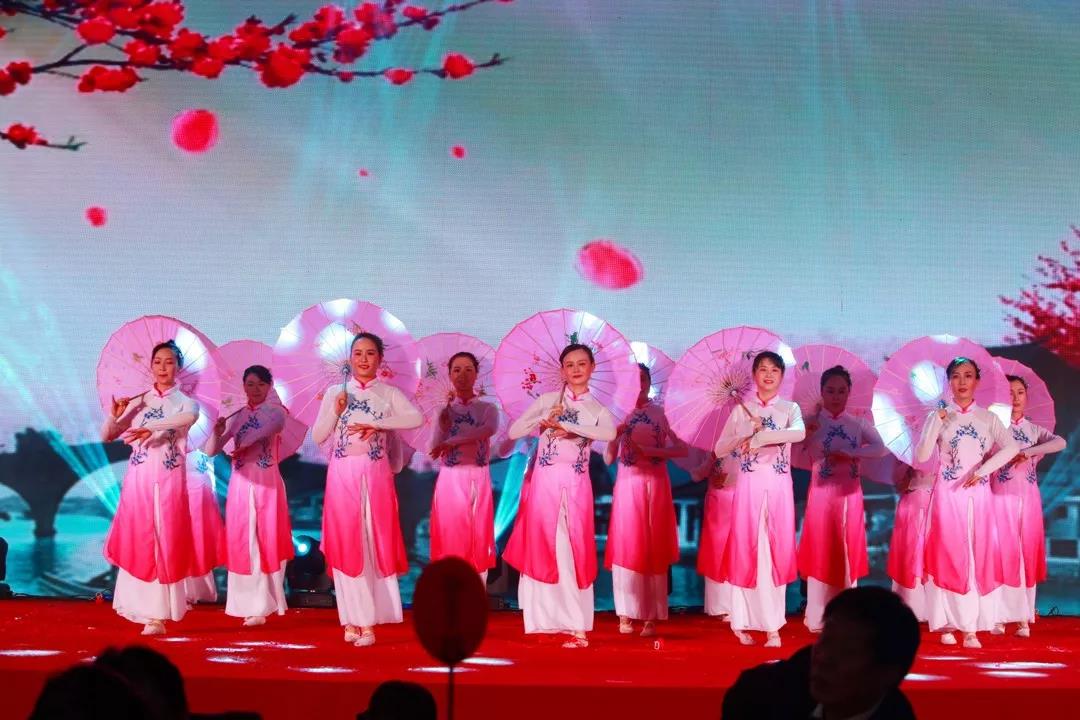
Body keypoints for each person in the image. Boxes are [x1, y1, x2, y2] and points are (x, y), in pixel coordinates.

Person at [311, 333, 423, 647]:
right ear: (350, 358)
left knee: (372, 540)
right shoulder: (335, 393)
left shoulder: (387, 393)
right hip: (342, 475)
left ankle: (369, 619)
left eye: (370, 353)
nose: (363, 359)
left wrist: (381, 424)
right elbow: (318, 435)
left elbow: (415, 418)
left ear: (380, 359)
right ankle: (351, 618)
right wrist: (335, 411)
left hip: (376, 476)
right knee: (347, 541)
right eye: (358, 353)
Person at [503, 343, 617, 648]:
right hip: (543, 485)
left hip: (575, 487)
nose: (576, 369)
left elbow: (609, 433)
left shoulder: (596, 409)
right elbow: (514, 432)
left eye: (582, 363)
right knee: (543, 546)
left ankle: (577, 625)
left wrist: (568, 424)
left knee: (570, 549)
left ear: (592, 368)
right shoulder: (547, 401)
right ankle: (545, 620)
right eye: (570, 364)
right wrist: (541, 419)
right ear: (562, 370)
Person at [914, 356, 1019, 648]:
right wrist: (935, 421)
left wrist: (983, 470)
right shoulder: (939, 416)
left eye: (968, 375)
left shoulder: (988, 418)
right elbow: (922, 456)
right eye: (956, 376)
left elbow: (1011, 447)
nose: (962, 381)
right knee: (948, 552)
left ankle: (971, 626)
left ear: (977, 381)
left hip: (979, 494)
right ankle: (947, 622)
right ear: (949, 382)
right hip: (947, 494)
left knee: (976, 553)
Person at [102, 340, 198, 636]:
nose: (162, 368)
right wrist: (115, 415)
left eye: (169, 362)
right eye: (157, 362)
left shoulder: (185, 402)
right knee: (138, 536)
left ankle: (157, 615)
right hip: (138, 479)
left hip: (167, 480)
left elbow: (188, 418)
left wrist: (151, 428)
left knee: (162, 537)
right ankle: (136, 605)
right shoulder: (139, 401)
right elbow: (108, 435)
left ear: (178, 367)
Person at [713, 351, 806, 647]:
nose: (768, 375)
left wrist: (762, 437)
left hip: (778, 489)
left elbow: (799, 434)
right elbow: (719, 449)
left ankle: (772, 626)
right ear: (754, 375)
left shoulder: (790, 408)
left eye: (774, 370)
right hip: (749, 489)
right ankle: (742, 621)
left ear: (782, 376)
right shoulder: (742, 411)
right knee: (746, 550)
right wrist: (744, 431)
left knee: (772, 552)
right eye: (763, 369)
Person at [722, 586, 919, 720]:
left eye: (847, 651)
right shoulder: (762, 695)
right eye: (826, 641)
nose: (824, 658)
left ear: (888, 673)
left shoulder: (896, 714)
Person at [797, 365, 888, 632]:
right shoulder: (810, 422)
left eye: (841, 391)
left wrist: (853, 452)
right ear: (822, 392)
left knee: (845, 551)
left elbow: (880, 448)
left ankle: (846, 615)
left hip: (849, 495)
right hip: (821, 495)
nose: (836, 396)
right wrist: (806, 434)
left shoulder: (857, 423)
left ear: (849, 393)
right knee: (820, 549)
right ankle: (817, 615)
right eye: (830, 391)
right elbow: (793, 452)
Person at [205, 365, 294, 627]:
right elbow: (211, 451)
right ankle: (246, 604)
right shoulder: (237, 416)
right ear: (244, 386)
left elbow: (266, 431)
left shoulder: (276, 412)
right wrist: (218, 432)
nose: (255, 389)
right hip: (241, 484)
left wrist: (243, 444)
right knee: (244, 541)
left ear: (269, 387)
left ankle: (266, 602)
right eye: (250, 384)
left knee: (266, 539)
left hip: (267, 483)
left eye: (261, 384)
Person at [603, 363, 686, 637]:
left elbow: (682, 449)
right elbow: (608, 459)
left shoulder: (662, 413)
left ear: (650, 383)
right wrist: (614, 438)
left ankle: (651, 615)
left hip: (655, 484)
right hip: (628, 485)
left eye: (643, 379)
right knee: (627, 543)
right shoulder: (618, 413)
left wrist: (652, 451)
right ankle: (625, 614)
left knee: (653, 544)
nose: (639, 384)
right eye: (634, 379)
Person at [991, 373, 1066, 637]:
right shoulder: (995, 428)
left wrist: (1029, 451)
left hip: (1028, 499)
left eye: (1020, 392)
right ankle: (998, 615)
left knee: (1026, 554)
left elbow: (1061, 442)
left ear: (1027, 396)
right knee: (1001, 555)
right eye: (1009, 393)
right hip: (999, 498)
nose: (1015, 398)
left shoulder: (1034, 430)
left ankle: (1023, 616)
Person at [428, 351, 499, 582]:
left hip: (478, 475)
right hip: (450, 477)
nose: (462, 375)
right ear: (449, 374)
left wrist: (454, 440)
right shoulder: (443, 411)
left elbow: (488, 430)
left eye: (468, 369)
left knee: (477, 534)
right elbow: (433, 449)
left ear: (477, 374)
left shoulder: (488, 408)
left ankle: (476, 590)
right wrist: (442, 426)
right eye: (457, 370)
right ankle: (450, 588)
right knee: (451, 532)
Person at [886, 462, 936, 622]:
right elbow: (897, 480)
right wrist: (911, 480)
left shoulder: (942, 450)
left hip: (937, 503)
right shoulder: (907, 454)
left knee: (934, 555)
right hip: (913, 504)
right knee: (911, 555)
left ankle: (935, 609)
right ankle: (913, 607)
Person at [692, 451, 736, 621]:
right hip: (716, 505)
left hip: (738, 501)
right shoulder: (713, 450)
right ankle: (718, 606)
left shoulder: (744, 446)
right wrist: (710, 461)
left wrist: (729, 479)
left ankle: (735, 605)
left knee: (734, 551)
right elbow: (697, 475)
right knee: (715, 552)